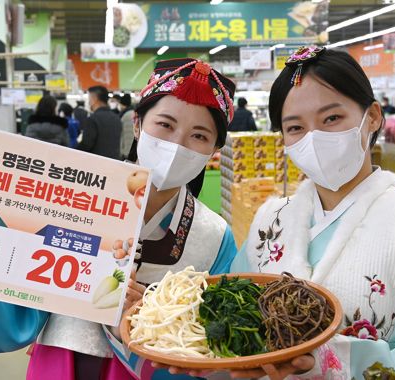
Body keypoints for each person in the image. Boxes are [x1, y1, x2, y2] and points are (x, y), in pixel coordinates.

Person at [223, 46, 395, 379]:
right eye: (295, 128)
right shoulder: (269, 221)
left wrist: (324, 360)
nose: (314, 138)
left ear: (373, 117)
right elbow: (234, 315)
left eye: (332, 118)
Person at [26, 58, 239, 380]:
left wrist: (152, 313)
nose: (176, 145)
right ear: (138, 124)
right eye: (165, 125)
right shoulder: (76, 199)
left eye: (199, 136)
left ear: (215, 149)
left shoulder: (215, 235)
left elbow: (219, 336)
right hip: (66, 357)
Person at [77, 86, 122, 160]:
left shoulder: (93, 119)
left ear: (94, 99)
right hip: (114, 162)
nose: (89, 102)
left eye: (89, 99)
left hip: (96, 164)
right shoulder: (116, 118)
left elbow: (86, 144)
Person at [118, 93, 135, 159]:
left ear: (122, 104)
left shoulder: (126, 115)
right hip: (131, 150)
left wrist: (124, 152)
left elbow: (127, 136)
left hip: (127, 151)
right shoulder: (132, 113)